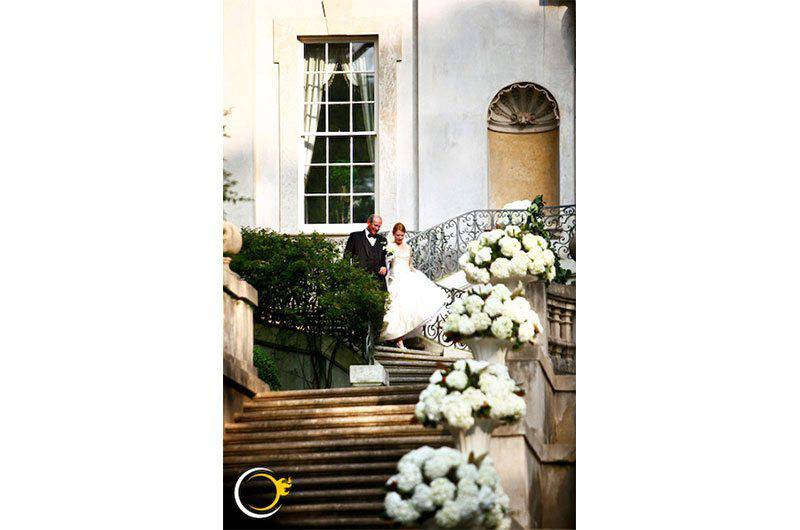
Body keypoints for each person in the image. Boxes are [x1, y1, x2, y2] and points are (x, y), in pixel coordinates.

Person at [380, 222, 448, 349]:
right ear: (393, 234)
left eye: (402, 235)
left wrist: (414, 271)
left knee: (410, 306)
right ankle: (398, 339)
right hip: (396, 277)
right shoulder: (390, 246)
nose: (400, 237)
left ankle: (402, 335)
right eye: (397, 235)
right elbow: (387, 263)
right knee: (397, 307)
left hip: (407, 276)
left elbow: (409, 263)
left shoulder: (408, 247)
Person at [343, 214, 388, 291]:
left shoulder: (383, 240)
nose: (377, 228)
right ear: (368, 222)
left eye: (379, 226)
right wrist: (349, 277)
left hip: (378, 282)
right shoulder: (355, 237)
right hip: (359, 281)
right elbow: (346, 258)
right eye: (375, 225)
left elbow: (384, 261)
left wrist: (385, 268)